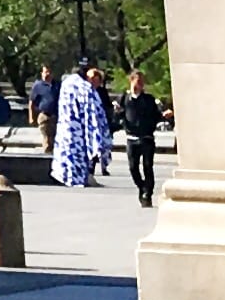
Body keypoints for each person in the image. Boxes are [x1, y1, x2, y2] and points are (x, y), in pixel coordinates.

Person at [52, 63, 114, 190]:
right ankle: (80, 176)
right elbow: (95, 112)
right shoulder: (85, 88)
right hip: (79, 129)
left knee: (71, 153)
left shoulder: (67, 84)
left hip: (68, 127)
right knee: (81, 152)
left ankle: (72, 175)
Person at [119, 70, 168, 208]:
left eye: (141, 82)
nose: (138, 85)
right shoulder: (124, 98)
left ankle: (148, 193)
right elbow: (119, 115)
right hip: (131, 138)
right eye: (137, 82)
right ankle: (142, 187)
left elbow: (157, 115)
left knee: (148, 167)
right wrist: (118, 114)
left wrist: (164, 115)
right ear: (131, 81)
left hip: (146, 138)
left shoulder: (149, 99)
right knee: (133, 168)